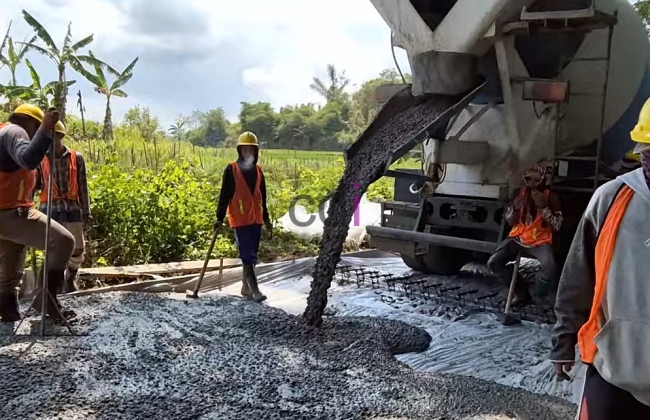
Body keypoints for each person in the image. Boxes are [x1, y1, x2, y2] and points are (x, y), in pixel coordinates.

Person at [551, 98, 650, 419]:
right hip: (613, 368)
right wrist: (564, 339)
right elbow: (578, 275)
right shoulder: (612, 199)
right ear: (643, 150)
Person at [0, 104, 75, 323]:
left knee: (13, 261)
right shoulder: (16, 131)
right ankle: (47, 301)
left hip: (7, 211)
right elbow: (28, 158)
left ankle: (8, 309)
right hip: (9, 213)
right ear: (31, 122)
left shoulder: (3, 133)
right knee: (63, 242)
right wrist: (45, 129)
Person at [487, 163, 563, 307]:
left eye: (536, 180)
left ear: (543, 180)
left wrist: (544, 206)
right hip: (517, 237)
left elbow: (557, 225)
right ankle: (520, 292)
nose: (532, 184)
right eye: (529, 180)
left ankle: (539, 295)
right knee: (493, 262)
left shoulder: (551, 196)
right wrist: (514, 209)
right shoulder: (518, 193)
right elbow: (510, 221)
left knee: (550, 266)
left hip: (540, 240)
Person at [214, 131, 273, 303]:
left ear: (256, 151)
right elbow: (224, 195)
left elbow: (263, 196)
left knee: (253, 253)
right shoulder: (231, 169)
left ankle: (245, 288)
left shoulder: (258, 171)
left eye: (252, 149)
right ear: (240, 150)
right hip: (240, 220)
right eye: (245, 149)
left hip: (256, 219)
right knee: (247, 255)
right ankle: (255, 291)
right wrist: (219, 217)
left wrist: (267, 219)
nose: (248, 152)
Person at [34, 120, 91, 294]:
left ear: (60, 136)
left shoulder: (76, 157)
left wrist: (87, 211)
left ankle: (70, 277)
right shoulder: (38, 159)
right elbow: (34, 185)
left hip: (72, 209)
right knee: (53, 250)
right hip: (49, 210)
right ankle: (51, 287)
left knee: (78, 250)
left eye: (54, 137)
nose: (51, 142)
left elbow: (83, 186)